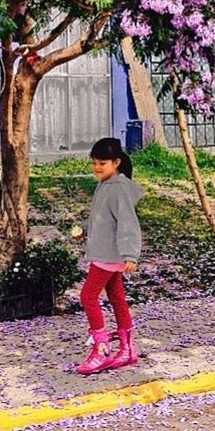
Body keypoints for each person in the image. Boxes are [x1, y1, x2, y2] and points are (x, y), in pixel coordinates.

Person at [76, 137, 144, 375]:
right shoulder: (107, 184)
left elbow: (128, 224)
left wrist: (130, 255)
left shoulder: (117, 189)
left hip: (110, 255)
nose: (96, 168)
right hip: (107, 251)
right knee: (116, 297)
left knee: (88, 296)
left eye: (102, 163)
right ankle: (127, 349)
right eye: (94, 163)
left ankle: (101, 349)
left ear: (116, 162)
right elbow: (107, 220)